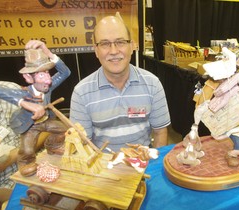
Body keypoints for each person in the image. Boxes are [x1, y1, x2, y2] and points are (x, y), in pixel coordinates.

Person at [70, 15, 171, 152]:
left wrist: (156, 167)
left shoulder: (153, 84)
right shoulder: (81, 93)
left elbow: (160, 133)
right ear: (96, 50)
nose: (114, 51)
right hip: (103, 170)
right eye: (105, 44)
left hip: (142, 166)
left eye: (120, 42)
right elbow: (82, 144)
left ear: (132, 45)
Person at [0, 40, 71, 176]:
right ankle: (26, 163)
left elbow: (65, 72)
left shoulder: (48, 87)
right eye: (41, 75)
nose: (48, 79)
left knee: (63, 129)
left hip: (46, 120)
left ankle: (53, 146)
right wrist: (24, 103)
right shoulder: (24, 92)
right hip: (30, 125)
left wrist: (46, 51)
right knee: (28, 149)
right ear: (29, 78)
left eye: (47, 73)